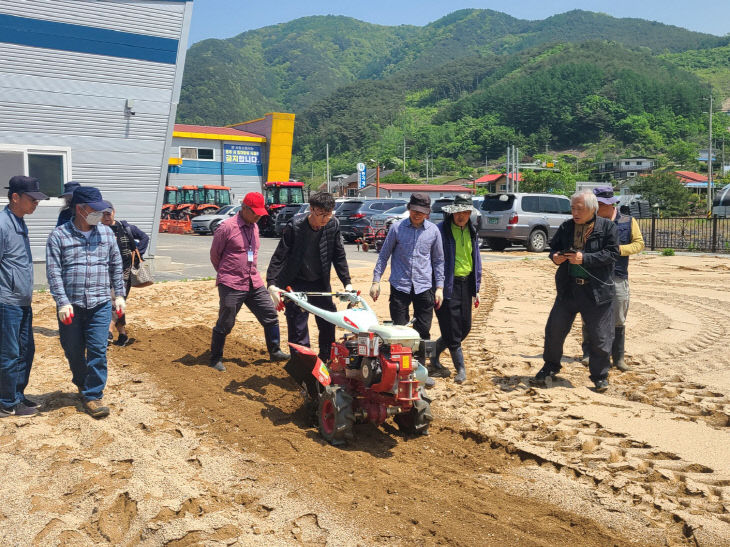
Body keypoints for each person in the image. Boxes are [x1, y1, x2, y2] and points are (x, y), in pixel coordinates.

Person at [46, 186, 125, 418]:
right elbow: (53, 272)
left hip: (100, 303)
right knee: (72, 350)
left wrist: (119, 295)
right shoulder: (59, 236)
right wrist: (62, 301)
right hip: (72, 305)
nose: (100, 214)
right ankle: (82, 382)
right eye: (95, 210)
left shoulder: (107, 234)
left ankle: (93, 395)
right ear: (80, 209)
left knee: (98, 350)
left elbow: (115, 265)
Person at [535, 191, 619, 392]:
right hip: (568, 289)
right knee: (554, 330)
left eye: (579, 208)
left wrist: (585, 258)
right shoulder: (566, 226)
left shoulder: (607, 227)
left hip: (597, 292)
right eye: (573, 208)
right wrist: (555, 257)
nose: (575, 212)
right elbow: (553, 249)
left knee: (600, 336)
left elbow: (612, 253)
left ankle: (600, 376)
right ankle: (551, 366)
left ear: (593, 208)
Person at [267, 191, 352, 363]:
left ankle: (326, 360)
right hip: (295, 282)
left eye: (329, 214)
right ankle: (301, 364)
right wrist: (272, 284)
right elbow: (279, 256)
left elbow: (339, 255)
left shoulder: (332, 224)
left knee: (328, 320)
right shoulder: (295, 226)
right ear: (312, 209)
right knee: (298, 326)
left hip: (320, 282)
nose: (325, 219)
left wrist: (347, 283)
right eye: (322, 215)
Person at [208, 192, 289, 372]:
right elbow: (215, 255)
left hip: (253, 280)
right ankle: (215, 358)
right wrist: (226, 274)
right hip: (231, 282)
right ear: (244, 208)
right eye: (255, 213)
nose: (258, 216)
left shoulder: (254, 227)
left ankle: (275, 351)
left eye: (261, 213)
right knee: (226, 321)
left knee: (270, 314)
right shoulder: (226, 227)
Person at [580, 186, 644, 372]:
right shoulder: (588, 222)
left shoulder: (628, 221)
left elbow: (639, 244)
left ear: (611, 204)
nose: (597, 209)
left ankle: (618, 358)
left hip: (617, 275)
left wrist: (619, 250)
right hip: (592, 275)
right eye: (595, 205)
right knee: (590, 316)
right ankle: (588, 353)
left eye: (600, 205)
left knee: (618, 317)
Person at [0, 176, 49, 417]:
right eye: (32, 200)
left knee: (24, 351)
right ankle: (6, 402)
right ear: (15, 197)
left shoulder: (19, 221)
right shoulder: (2, 224)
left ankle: (17, 396)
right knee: (9, 353)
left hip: (21, 301)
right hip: (6, 301)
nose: (36, 204)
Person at [370, 192, 445, 341]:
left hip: (424, 286)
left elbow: (438, 260)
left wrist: (440, 288)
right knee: (399, 331)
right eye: (414, 210)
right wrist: (375, 282)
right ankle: (402, 363)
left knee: (423, 330)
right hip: (399, 286)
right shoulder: (397, 228)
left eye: (422, 212)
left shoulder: (433, 231)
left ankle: (420, 362)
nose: (417, 214)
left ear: (427, 213)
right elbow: (384, 256)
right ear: (409, 208)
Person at [431, 194, 482, 384]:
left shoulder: (472, 230)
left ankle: (434, 353)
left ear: (470, 214)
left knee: (465, 327)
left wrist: (476, 286)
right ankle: (460, 368)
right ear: (452, 212)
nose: (461, 216)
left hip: (466, 284)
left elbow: (475, 257)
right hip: (446, 285)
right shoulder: (441, 231)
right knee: (452, 329)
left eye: (466, 212)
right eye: (458, 212)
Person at [101, 203, 150, 347]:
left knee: (115, 300)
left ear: (114, 213)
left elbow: (144, 238)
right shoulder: (97, 230)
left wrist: (137, 252)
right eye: (103, 214)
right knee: (115, 303)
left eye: (108, 214)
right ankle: (122, 335)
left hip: (125, 272)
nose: (106, 217)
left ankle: (109, 330)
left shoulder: (126, 228)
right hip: (104, 273)